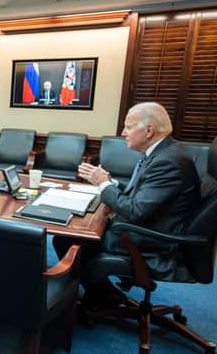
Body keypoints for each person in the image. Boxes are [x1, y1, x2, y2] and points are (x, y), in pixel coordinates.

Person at [53, 102, 201, 308]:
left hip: (151, 241)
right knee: (69, 236)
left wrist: (103, 185)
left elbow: (136, 211)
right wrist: (112, 183)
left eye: (128, 126)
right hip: (150, 228)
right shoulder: (166, 153)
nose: (123, 133)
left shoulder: (168, 161)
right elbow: (144, 193)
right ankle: (102, 293)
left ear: (149, 130)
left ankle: (99, 297)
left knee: (69, 238)